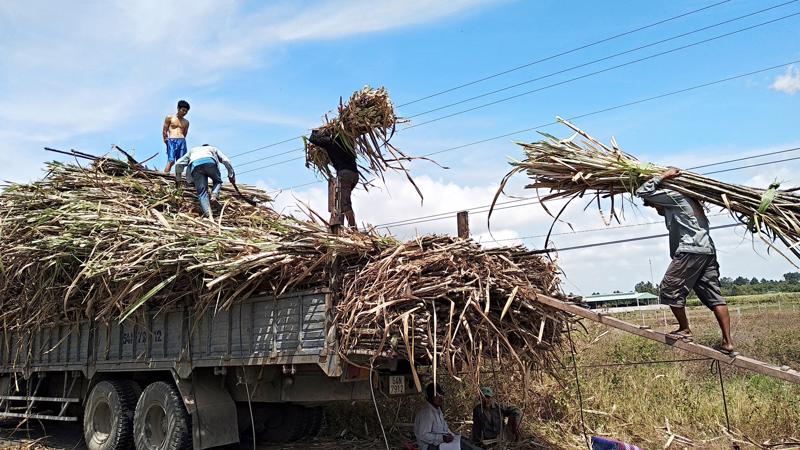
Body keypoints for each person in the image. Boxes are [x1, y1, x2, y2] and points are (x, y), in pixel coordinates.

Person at [636, 168, 737, 356]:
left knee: (669, 288)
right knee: (714, 296)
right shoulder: (692, 203)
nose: (655, 207)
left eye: (653, 204)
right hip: (707, 252)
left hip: (691, 250)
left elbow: (642, 191)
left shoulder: (675, 196)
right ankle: (728, 342)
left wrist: (662, 176)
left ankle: (684, 329)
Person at [308, 128, 359, 229]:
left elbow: (313, 139)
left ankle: (354, 229)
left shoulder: (330, 142)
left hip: (344, 175)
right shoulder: (347, 143)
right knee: (341, 202)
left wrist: (315, 131)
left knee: (345, 203)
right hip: (355, 175)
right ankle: (341, 226)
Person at [413, 383, 483, 450]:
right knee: (462, 445)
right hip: (428, 446)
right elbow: (423, 435)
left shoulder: (438, 410)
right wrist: (442, 438)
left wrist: (452, 435)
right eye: (437, 396)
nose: (441, 398)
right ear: (431, 397)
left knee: (463, 440)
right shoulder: (427, 413)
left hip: (439, 443)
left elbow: (445, 428)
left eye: (441, 395)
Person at [174, 144, 235, 219]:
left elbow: (178, 163)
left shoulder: (193, 150)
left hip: (196, 166)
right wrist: (231, 174)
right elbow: (226, 160)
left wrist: (178, 179)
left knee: (202, 193)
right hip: (210, 162)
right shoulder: (212, 148)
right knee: (217, 181)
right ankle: (214, 196)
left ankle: (209, 216)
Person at [163, 100, 191, 173]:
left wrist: (182, 141)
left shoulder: (186, 122)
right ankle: (165, 175)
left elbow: (185, 133)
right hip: (172, 140)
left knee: (181, 162)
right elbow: (164, 131)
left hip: (182, 141)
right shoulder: (170, 117)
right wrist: (166, 142)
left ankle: (178, 178)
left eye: (186, 111)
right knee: (171, 160)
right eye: (183, 110)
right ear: (178, 108)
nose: (184, 112)